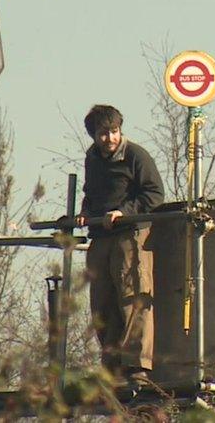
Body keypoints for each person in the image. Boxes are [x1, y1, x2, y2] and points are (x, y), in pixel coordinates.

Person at [76, 104, 164, 386]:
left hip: (130, 237)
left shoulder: (136, 156)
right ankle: (111, 367)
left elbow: (155, 194)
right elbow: (92, 193)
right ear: (93, 136)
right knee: (102, 303)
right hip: (101, 237)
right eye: (103, 134)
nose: (110, 138)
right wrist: (85, 212)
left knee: (133, 299)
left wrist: (125, 212)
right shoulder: (93, 159)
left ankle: (137, 367)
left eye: (113, 132)